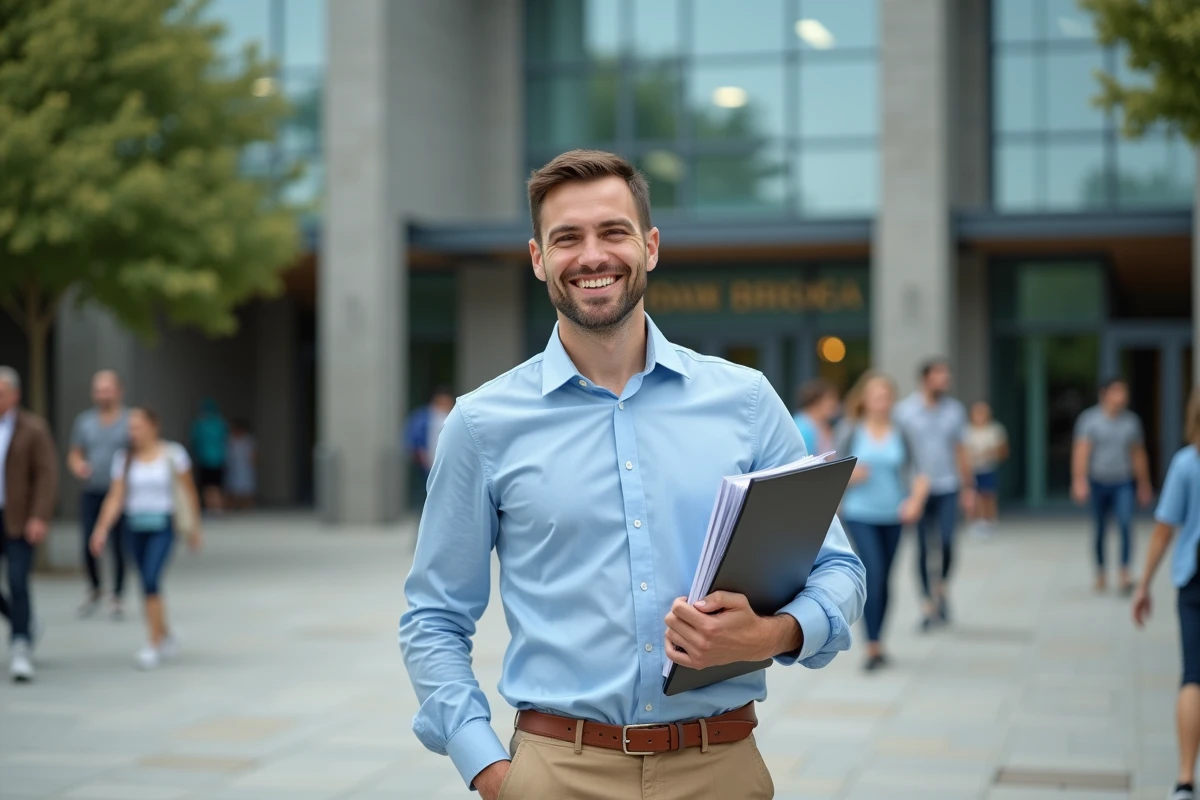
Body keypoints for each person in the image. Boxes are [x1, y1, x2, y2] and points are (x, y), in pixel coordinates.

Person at [400, 150, 865, 800]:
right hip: (556, 771)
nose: (593, 256)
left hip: (720, 765)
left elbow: (839, 569)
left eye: (613, 232)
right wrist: (488, 768)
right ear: (538, 258)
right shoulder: (480, 425)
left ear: (649, 247)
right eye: (567, 238)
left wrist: (773, 633)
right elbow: (434, 616)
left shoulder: (747, 400)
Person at [90, 407, 202, 670]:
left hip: (162, 525)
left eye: (138, 427)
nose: (133, 433)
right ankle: (165, 633)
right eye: (131, 428)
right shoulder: (125, 459)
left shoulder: (173, 455)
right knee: (146, 583)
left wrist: (194, 529)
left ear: (154, 426)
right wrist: (102, 528)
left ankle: (154, 643)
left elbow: (189, 493)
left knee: (151, 578)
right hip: (134, 526)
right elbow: (116, 496)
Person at [1131, 387, 1200, 800]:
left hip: (1194, 578)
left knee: (1193, 676)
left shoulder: (1187, 464)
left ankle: (1185, 780)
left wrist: (1144, 585)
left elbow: (1163, 530)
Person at [833, 371, 928, 672]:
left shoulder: (902, 431)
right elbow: (831, 471)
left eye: (886, 396)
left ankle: (880, 640)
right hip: (860, 514)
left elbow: (921, 472)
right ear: (864, 399)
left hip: (895, 514)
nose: (881, 402)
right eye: (875, 396)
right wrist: (850, 474)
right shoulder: (850, 430)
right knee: (872, 572)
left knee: (885, 578)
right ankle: (871, 646)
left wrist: (914, 501)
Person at [894, 358, 975, 631]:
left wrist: (969, 489)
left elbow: (960, 450)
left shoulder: (955, 411)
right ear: (925, 378)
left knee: (948, 542)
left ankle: (941, 587)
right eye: (940, 375)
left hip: (948, 486)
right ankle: (928, 604)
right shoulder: (904, 411)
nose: (946, 380)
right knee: (922, 549)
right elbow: (898, 454)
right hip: (916, 491)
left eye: (947, 375)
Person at [0, 367, 58, 682]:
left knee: (18, 580)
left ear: (14, 395)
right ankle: (24, 621)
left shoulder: (32, 429)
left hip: (19, 518)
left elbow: (47, 475)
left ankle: (20, 646)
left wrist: (40, 515)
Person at [1072, 377, 1154, 594]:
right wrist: (1079, 481)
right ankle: (1100, 571)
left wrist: (1144, 484)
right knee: (1099, 529)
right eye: (1118, 392)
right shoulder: (1090, 420)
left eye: (1124, 392)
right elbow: (1081, 452)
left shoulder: (1131, 422)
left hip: (1123, 481)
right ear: (1105, 394)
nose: (1123, 396)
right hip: (1098, 481)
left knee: (1126, 524)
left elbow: (1137, 454)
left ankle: (1124, 571)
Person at [67, 370, 131, 618]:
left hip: (120, 493)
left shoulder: (129, 420)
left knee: (119, 545)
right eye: (98, 390)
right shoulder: (85, 422)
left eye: (107, 390)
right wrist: (79, 466)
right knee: (88, 542)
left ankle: (117, 593)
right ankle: (94, 587)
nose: (102, 395)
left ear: (118, 391)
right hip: (92, 490)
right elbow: (74, 453)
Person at [964, 400, 1008, 539]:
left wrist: (989, 453)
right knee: (974, 496)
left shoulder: (995, 429)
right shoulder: (966, 430)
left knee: (988, 495)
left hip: (988, 468)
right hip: (972, 469)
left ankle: (990, 522)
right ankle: (976, 522)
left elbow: (1003, 451)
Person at [403, 386, 455, 483]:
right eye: (440, 403)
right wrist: (421, 457)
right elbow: (410, 441)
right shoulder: (422, 417)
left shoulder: (456, 417)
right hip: (424, 468)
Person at [189, 398, 228, 513]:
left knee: (207, 486)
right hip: (218, 459)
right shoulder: (220, 423)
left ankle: (211, 507)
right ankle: (218, 507)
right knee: (217, 485)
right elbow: (225, 439)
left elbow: (194, 440)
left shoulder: (199, 424)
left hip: (204, 459)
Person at [792, 378, 839, 456]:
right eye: (830, 399)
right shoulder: (801, 427)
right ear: (816, 402)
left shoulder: (823, 425)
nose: (835, 404)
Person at [223, 420, 257, 510]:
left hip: (245, 468)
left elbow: (253, 454)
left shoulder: (248, 439)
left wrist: (253, 464)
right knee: (232, 489)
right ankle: (231, 508)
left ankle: (247, 508)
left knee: (247, 490)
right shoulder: (230, 439)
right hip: (233, 467)